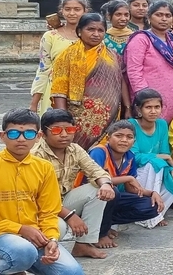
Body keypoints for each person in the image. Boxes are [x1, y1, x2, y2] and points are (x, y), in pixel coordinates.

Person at [0, 108, 85, 275]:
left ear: (38, 137)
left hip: (34, 237)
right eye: (14, 134)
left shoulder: (44, 168)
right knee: (22, 252)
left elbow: (49, 212)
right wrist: (19, 228)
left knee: (72, 273)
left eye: (29, 134)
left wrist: (51, 239)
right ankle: (1, 269)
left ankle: (19, 263)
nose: (21, 139)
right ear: (2, 136)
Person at [31, 109, 115, 259]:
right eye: (57, 130)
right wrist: (69, 215)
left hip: (63, 201)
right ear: (43, 133)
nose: (64, 135)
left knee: (98, 189)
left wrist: (106, 184)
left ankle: (83, 245)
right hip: (39, 210)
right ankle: (40, 252)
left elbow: (96, 171)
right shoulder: (36, 156)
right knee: (60, 228)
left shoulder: (74, 149)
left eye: (69, 129)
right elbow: (38, 199)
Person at [50, 13, 131, 150]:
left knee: (102, 154)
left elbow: (121, 81)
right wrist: (63, 119)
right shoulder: (67, 56)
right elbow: (59, 89)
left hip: (109, 117)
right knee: (77, 153)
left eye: (100, 30)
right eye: (90, 29)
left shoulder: (112, 55)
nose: (96, 34)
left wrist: (127, 107)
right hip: (78, 118)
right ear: (80, 31)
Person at [129, 89, 173, 228]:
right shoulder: (132, 124)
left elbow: (166, 154)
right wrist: (160, 157)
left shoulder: (162, 124)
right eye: (148, 107)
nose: (153, 111)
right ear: (139, 109)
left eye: (157, 107)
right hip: (138, 176)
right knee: (153, 163)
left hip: (159, 170)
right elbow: (134, 157)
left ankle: (161, 209)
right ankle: (148, 213)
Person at [85, 120, 164, 249]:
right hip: (91, 197)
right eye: (119, 135)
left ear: (134, 141)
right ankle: (100, 233)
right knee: (112, 191)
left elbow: (130, 188)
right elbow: (96, 180)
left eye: (129, 137)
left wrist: (152, 193)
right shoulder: (99, 152)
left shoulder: (129, 156)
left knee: (151, 206)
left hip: (111, 198)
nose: (124, 140)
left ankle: (104, 223)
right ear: (108, 137)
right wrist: (127, 178)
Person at [125, 1, 173, 123]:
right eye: (159, 15)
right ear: (149, 17)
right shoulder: (141, 39)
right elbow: (134, 71)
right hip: (151, 103)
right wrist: (145, 98)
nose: (164, 19)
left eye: (167, 16)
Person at [31, 0, 90, 115]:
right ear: (61, 11)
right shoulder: (51, 36)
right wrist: (34, 103)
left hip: (86, 92)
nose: (72, 13)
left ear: (85, 11)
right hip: (53, 92)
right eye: (67, 9)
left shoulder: (91, 36)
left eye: (77, 9)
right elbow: (43, 69)